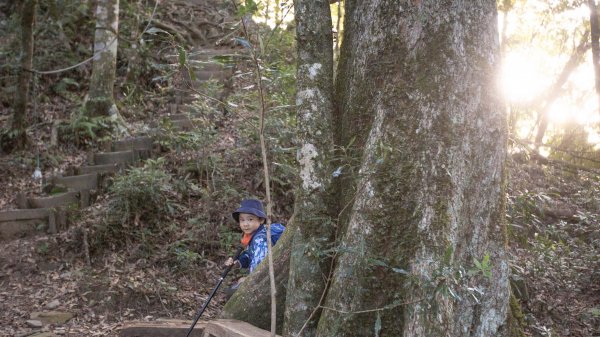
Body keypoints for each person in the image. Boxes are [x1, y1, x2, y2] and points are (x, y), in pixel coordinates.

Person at [224, 199, 285, 284]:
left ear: (261, 220)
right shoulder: (254, 234)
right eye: (242, 220)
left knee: (233, 290)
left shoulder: (260, 238)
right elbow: (250, 254)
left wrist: (248, 280)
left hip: (273, 279)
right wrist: (238, 262)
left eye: (250, 219)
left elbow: (260, 264)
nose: (245, 224)